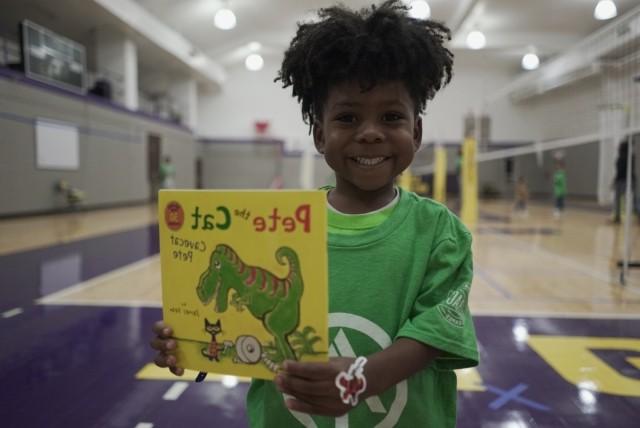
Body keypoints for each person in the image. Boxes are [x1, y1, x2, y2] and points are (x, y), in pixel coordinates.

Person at [151, 1, 478, 426]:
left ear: (415, 132)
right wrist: (194, 342)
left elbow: (434, 334)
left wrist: (361, 378)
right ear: (321, 135)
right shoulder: (272, 226)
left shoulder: (440, 233)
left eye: (392, 116)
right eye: (348, 117)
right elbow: (243, 323)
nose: (371, 131)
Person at [612, 139, 637, 224]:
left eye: (620, 146)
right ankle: (617, 218)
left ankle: (618, 217)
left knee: (631, 199)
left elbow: (621, 170)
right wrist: (615, 181)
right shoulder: (625, 157)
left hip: (626, 181)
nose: (618, 148)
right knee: (618, 200)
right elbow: (619, 171)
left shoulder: (629, 157)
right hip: (621, 180)